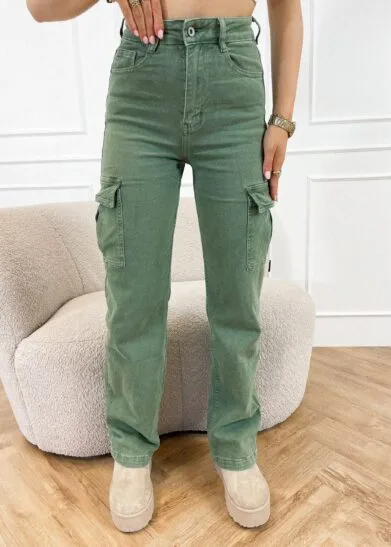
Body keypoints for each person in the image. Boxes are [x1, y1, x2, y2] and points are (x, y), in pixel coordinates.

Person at [27, 0, 303, 533]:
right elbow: (40, 8)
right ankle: (131, 452)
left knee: (238, 293)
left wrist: (282, 119)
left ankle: (236, 447)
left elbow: (287, 9)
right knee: (134, 296)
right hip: (143, 82)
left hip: (233, 83)